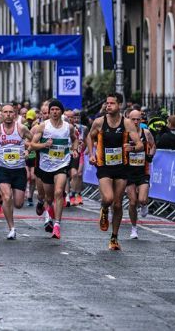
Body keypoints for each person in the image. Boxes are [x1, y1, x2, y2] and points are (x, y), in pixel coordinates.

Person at [86, 93, 143, 250]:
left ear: (119, 105)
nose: (108, 105)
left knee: (118, 204)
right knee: (109, 199)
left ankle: (114, 238)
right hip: (104, 165)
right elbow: (89, 137)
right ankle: (104, 208)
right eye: (107, 103)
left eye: (112, 103)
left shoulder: (127, 124)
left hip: (121, 166)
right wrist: (91, 154)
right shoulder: (99, 122)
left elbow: (140, 145)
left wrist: (131, 148)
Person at [30, 100, 79, 240]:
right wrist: (45, 144)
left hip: (62, 165)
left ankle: (57, 224)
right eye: (52, 109)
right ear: (49, 111)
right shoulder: (43, 127)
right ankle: (46, 210)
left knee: (59, 193)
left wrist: (74, 149)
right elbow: (33, 144)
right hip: (46, 166)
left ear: (61, 111)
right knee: (49, 197)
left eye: (57, 109)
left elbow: (75, 139)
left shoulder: (68, 127)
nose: (55, 112)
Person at [0, 104, 32, 240]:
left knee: (18, 203)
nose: (8, 114)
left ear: (15, 114)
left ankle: (12, 224)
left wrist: (28, 150)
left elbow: (33, 139)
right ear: (2, 114)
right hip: (3, 169)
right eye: (6, 112)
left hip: (19, 169)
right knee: (6, 197)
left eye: (11, 112)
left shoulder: (21, 128)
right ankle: (11, 228)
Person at [125, 110, 155, 239]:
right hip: (129, 172)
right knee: (132, 202)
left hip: (143, 171)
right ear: (128, 119)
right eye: (133, 119)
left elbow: (153, 146)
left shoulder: (146, 133)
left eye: (138, 119)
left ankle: (144, 204)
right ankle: (134, 228)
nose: (136, 122)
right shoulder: (125, 134)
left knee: (142, 199)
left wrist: (150, 155)